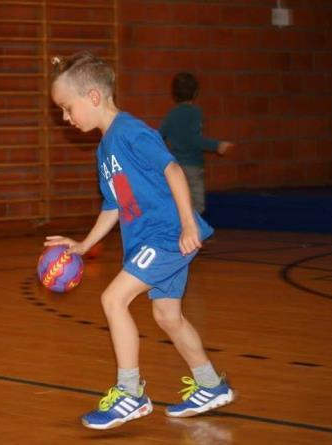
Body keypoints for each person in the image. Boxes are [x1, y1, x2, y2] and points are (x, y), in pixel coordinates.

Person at [45, 52, 234, 430]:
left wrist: (186, 225)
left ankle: (130, 394)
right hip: (151, 239)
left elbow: (173, 168)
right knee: (167, 316)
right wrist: (84, 245)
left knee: (113, 299)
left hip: (166, 236)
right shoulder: (104, 150)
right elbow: (116, 205)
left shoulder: (129, 132)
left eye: (68, 108)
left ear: (94, 97)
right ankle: (211, 385)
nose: (66, 118)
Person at [159, 72, 234, 214]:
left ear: (174, 94)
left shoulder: (171, 115)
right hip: (193, 167)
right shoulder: (195, 112)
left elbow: (158, 137)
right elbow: (195, 139)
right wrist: (217, 146)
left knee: (179, 204)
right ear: (195, 93)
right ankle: (191, 232)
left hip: (176, 168)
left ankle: (180, 231)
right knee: (197, 206)